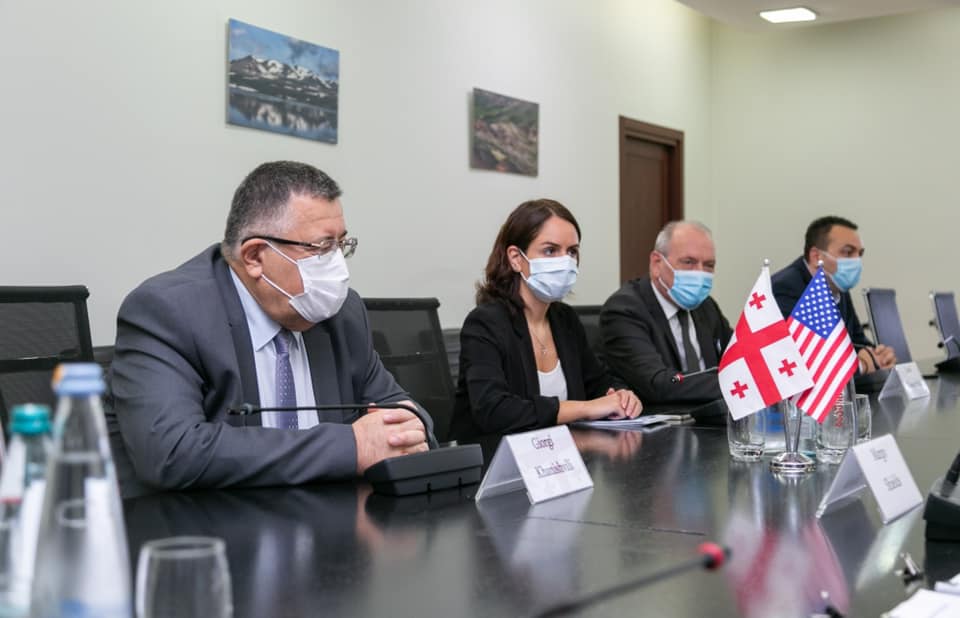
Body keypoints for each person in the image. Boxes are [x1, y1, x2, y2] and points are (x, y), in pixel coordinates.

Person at [108, 161, 434, 494]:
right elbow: (173, 452)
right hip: (221, 520)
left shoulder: (343, 313)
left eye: (341, 245)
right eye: (321, 247)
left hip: (334, 517)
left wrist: (411, 426)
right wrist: (352, 446)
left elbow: (404, 412)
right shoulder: (169, 312)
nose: (338, 267)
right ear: (254, 257)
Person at [449, 199, 641, 442]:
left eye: (572, 251)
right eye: (550, 250)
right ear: (516, 258)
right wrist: (586, 408)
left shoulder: (565, 319)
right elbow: (494, 410)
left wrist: (621, 395)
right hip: (494, 457)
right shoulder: (485, 323)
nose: (565, 261)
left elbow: (599, 382)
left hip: (561, 455)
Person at [600, 221, 733, 405]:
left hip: (712, 415)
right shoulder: (624, 310)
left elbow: (738, 359)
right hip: (660, 419)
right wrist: (736, 384)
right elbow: (658, 383)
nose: (700, 274)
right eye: (689, 262)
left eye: (709, 265)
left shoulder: (706, 306)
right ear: (657, 263)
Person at [771, 215, 895, 374]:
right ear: (816, 256)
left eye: (859, 254)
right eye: (848, 252)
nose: (856, 261)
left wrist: (880, 356)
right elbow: (803, 362)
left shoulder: (837, 285)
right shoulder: (786, 288)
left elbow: (857, 342)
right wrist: (862, 365)